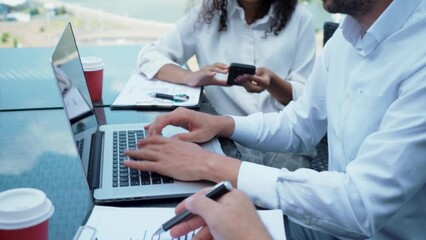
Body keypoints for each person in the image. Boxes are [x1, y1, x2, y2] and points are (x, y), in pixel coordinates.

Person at [125, 0, 426, 239]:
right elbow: (300, 124)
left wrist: (209, 164)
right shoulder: (344, 40)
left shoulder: (419, 55)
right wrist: (223, 123)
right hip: (328, 223)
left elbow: (360, 206)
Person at [137, 0, 315, 116]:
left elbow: (307, 96)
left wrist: (272, 83)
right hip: (225, 133)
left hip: (282, 136)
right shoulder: (206, 14)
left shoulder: (300, 19)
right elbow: (150, 55)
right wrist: (189, 77)